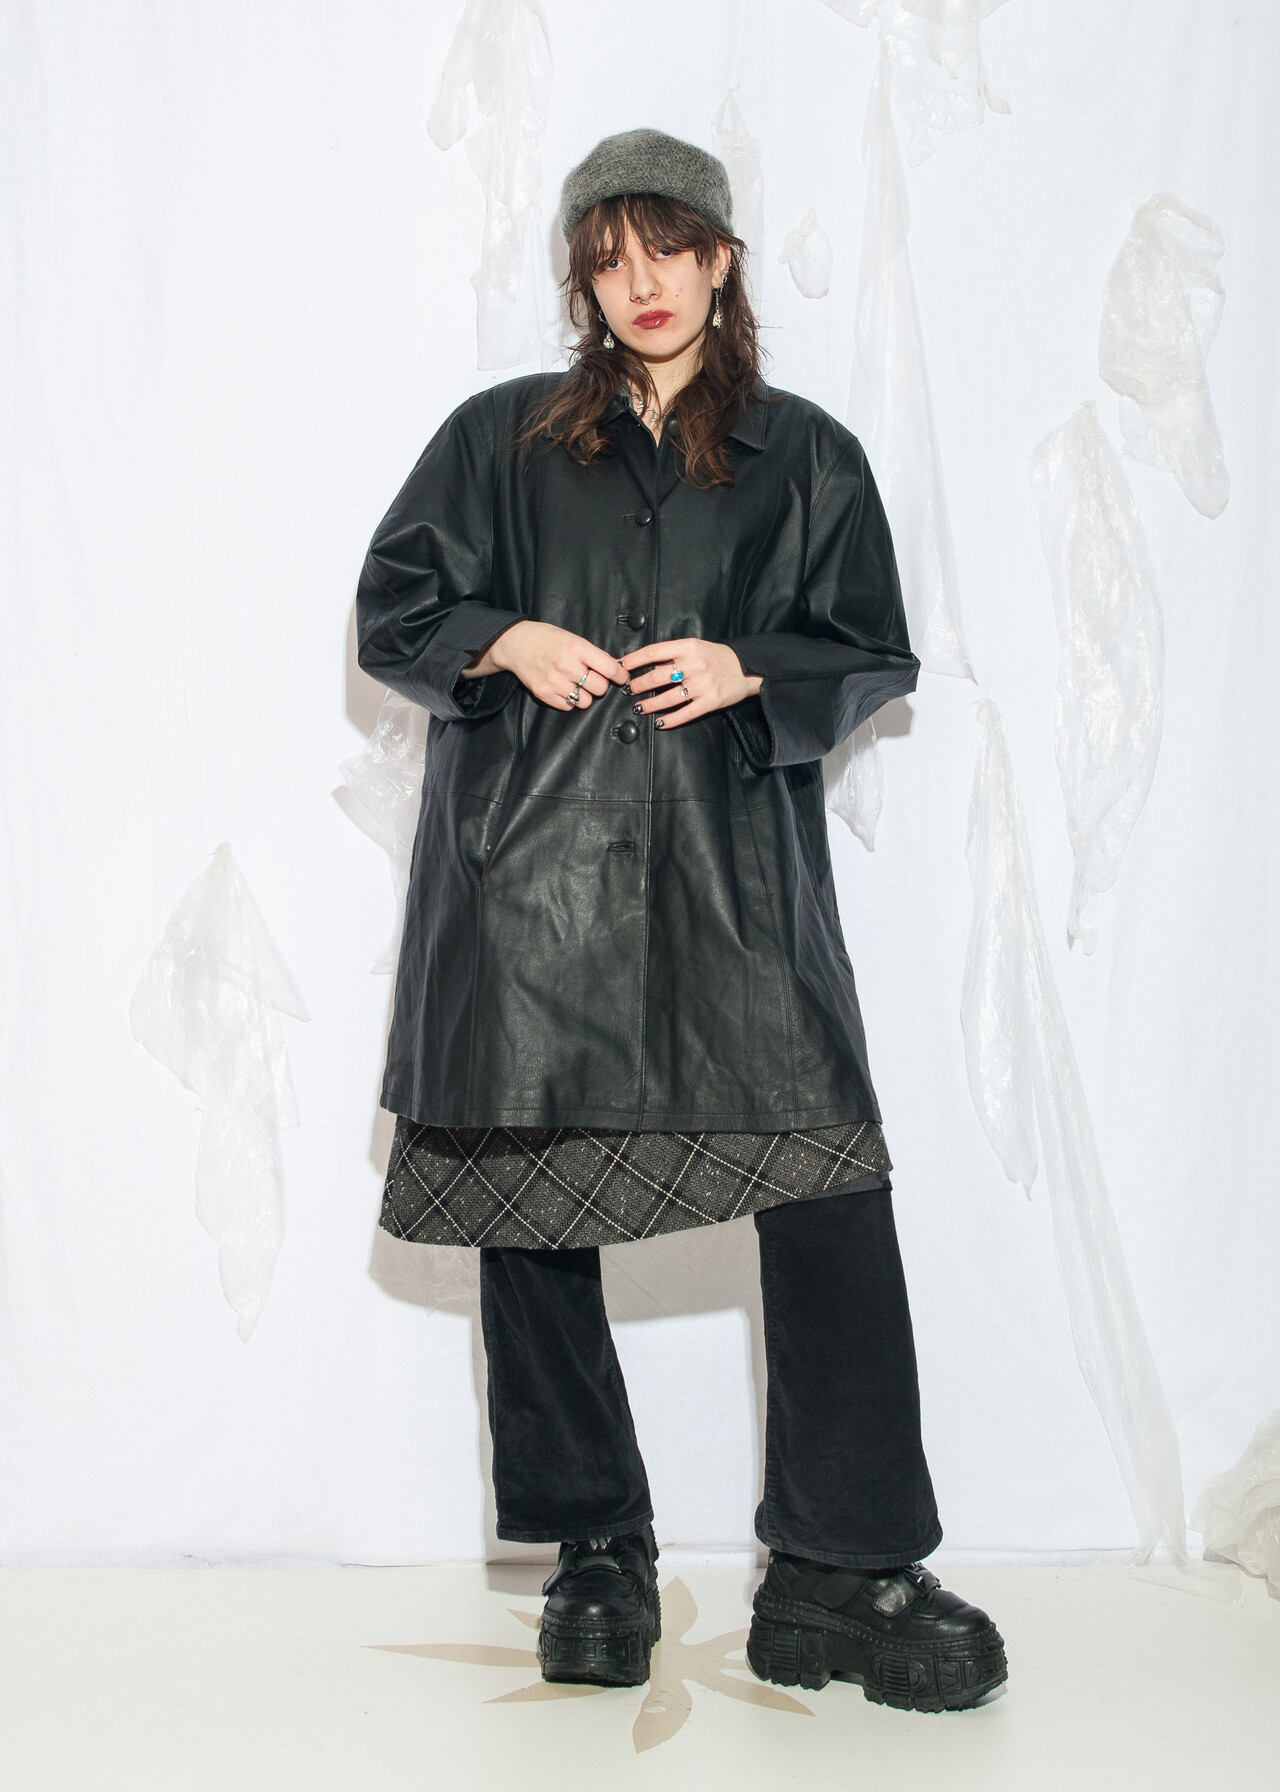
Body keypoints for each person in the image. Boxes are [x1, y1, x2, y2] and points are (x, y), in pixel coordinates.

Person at [356, 127, 1007, 1713]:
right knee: (529, 1208)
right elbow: (394, 605)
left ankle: (842, 1571)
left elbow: (873, 652)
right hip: (531, 887)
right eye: (609, 258)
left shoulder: (808, 458)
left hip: (737, 890)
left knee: (829, 1196)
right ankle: (597, 1554)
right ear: (583, 280)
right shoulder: (500, 441)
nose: (641, 283)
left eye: (669, 248)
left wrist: (749, 665)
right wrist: (502, 636)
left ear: (722, 258)